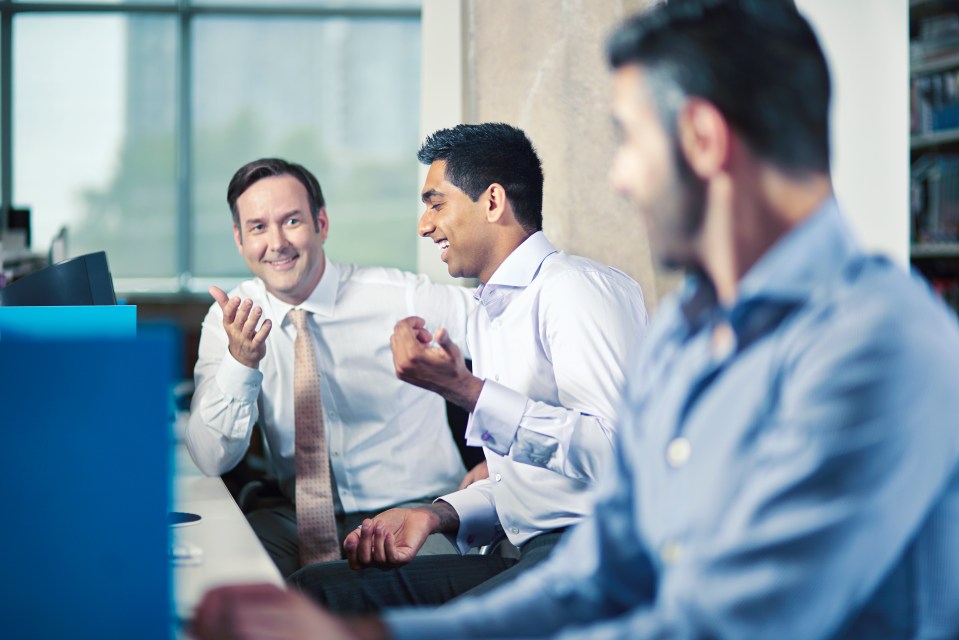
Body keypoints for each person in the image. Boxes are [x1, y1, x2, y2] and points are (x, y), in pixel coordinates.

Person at [192, 2, 959, 638]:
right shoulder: (690, 330)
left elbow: (724, 618)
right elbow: (610, 563)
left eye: (627, 141)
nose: (620, 181)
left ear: (701, 139)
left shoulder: (876, 347)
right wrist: (371, 632)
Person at [286, 122, 649, 612]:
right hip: (526, 548)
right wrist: (436, 516)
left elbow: (622, 457)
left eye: (436, 203)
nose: (424, 224)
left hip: (596, 551)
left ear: (493, 202)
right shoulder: (488, 313)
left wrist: (467, 391)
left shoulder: (575, 289)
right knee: (315, 592)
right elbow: (531, 485)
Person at [186, 158, 478, 578]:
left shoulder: (401, 296)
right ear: (239, 239)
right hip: (297, 518)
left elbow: (512, 335)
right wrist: (241, 363)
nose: (276, 243)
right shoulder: (231, 319)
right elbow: (210, 459)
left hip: (416, 508)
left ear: (321, 223)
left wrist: (501, 463)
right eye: (257, 227)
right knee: (224, 578)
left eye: (291, 221)